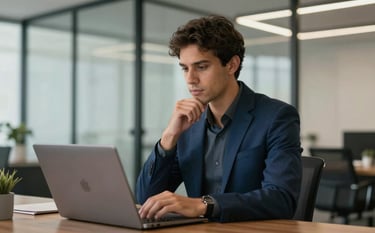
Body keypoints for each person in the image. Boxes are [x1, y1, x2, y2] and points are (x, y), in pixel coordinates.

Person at [136, 15, 302, 223]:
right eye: (185, 68)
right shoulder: (188, 125)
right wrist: (168, 138)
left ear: (231, 65)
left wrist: (204, 205)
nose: (190, 79)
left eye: (201, 66)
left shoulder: (276, 117)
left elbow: (281, 199)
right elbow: (146, 200)